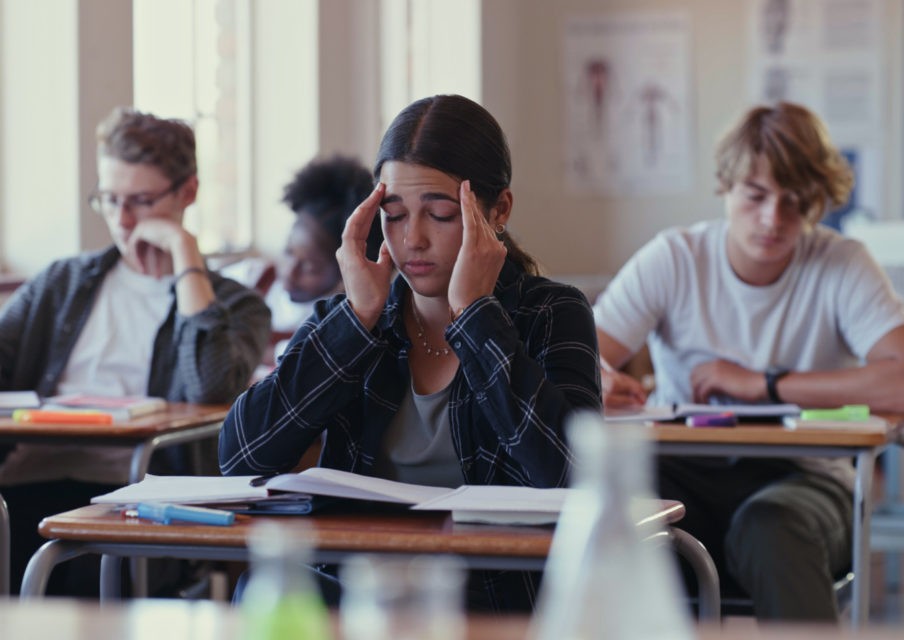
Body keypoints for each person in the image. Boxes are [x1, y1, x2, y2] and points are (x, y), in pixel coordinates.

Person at [219, 94, 602, 610]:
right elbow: (240, 456)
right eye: (394, 215)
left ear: (499, 210)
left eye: (440, 215)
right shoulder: (354, 318)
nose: (413, 239)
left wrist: (475, 315)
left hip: (491, 598)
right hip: (359, 591)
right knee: (264, 594)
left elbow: (572, 476)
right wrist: (357, 321)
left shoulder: (552, 312)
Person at [593, 101, 904, 620]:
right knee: (615, 506)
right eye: (757, 195)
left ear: (818, 201)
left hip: (807, 479)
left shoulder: (841, 263)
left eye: (795, 201)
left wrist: (765, 384)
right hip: (686, 472)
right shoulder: (675, 258)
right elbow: (580, 359)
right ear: (726, 185)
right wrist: (597, 378)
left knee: (772, 526)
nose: (773, 219)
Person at [0, 106, 271, 594]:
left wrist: (185, 256)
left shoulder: (236, 304)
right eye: (109, 199)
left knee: (79, 571)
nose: (122, 221)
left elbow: (212, 386)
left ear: (187, 193)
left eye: (141, 201)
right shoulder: (64, 282)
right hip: (26, 478)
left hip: (140, 492)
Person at [223, 155, 382, 365]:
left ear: (343, 273)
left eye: (310, 267)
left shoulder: (338, 320)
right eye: (289, 252)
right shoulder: (252, 277)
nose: (290, 271)